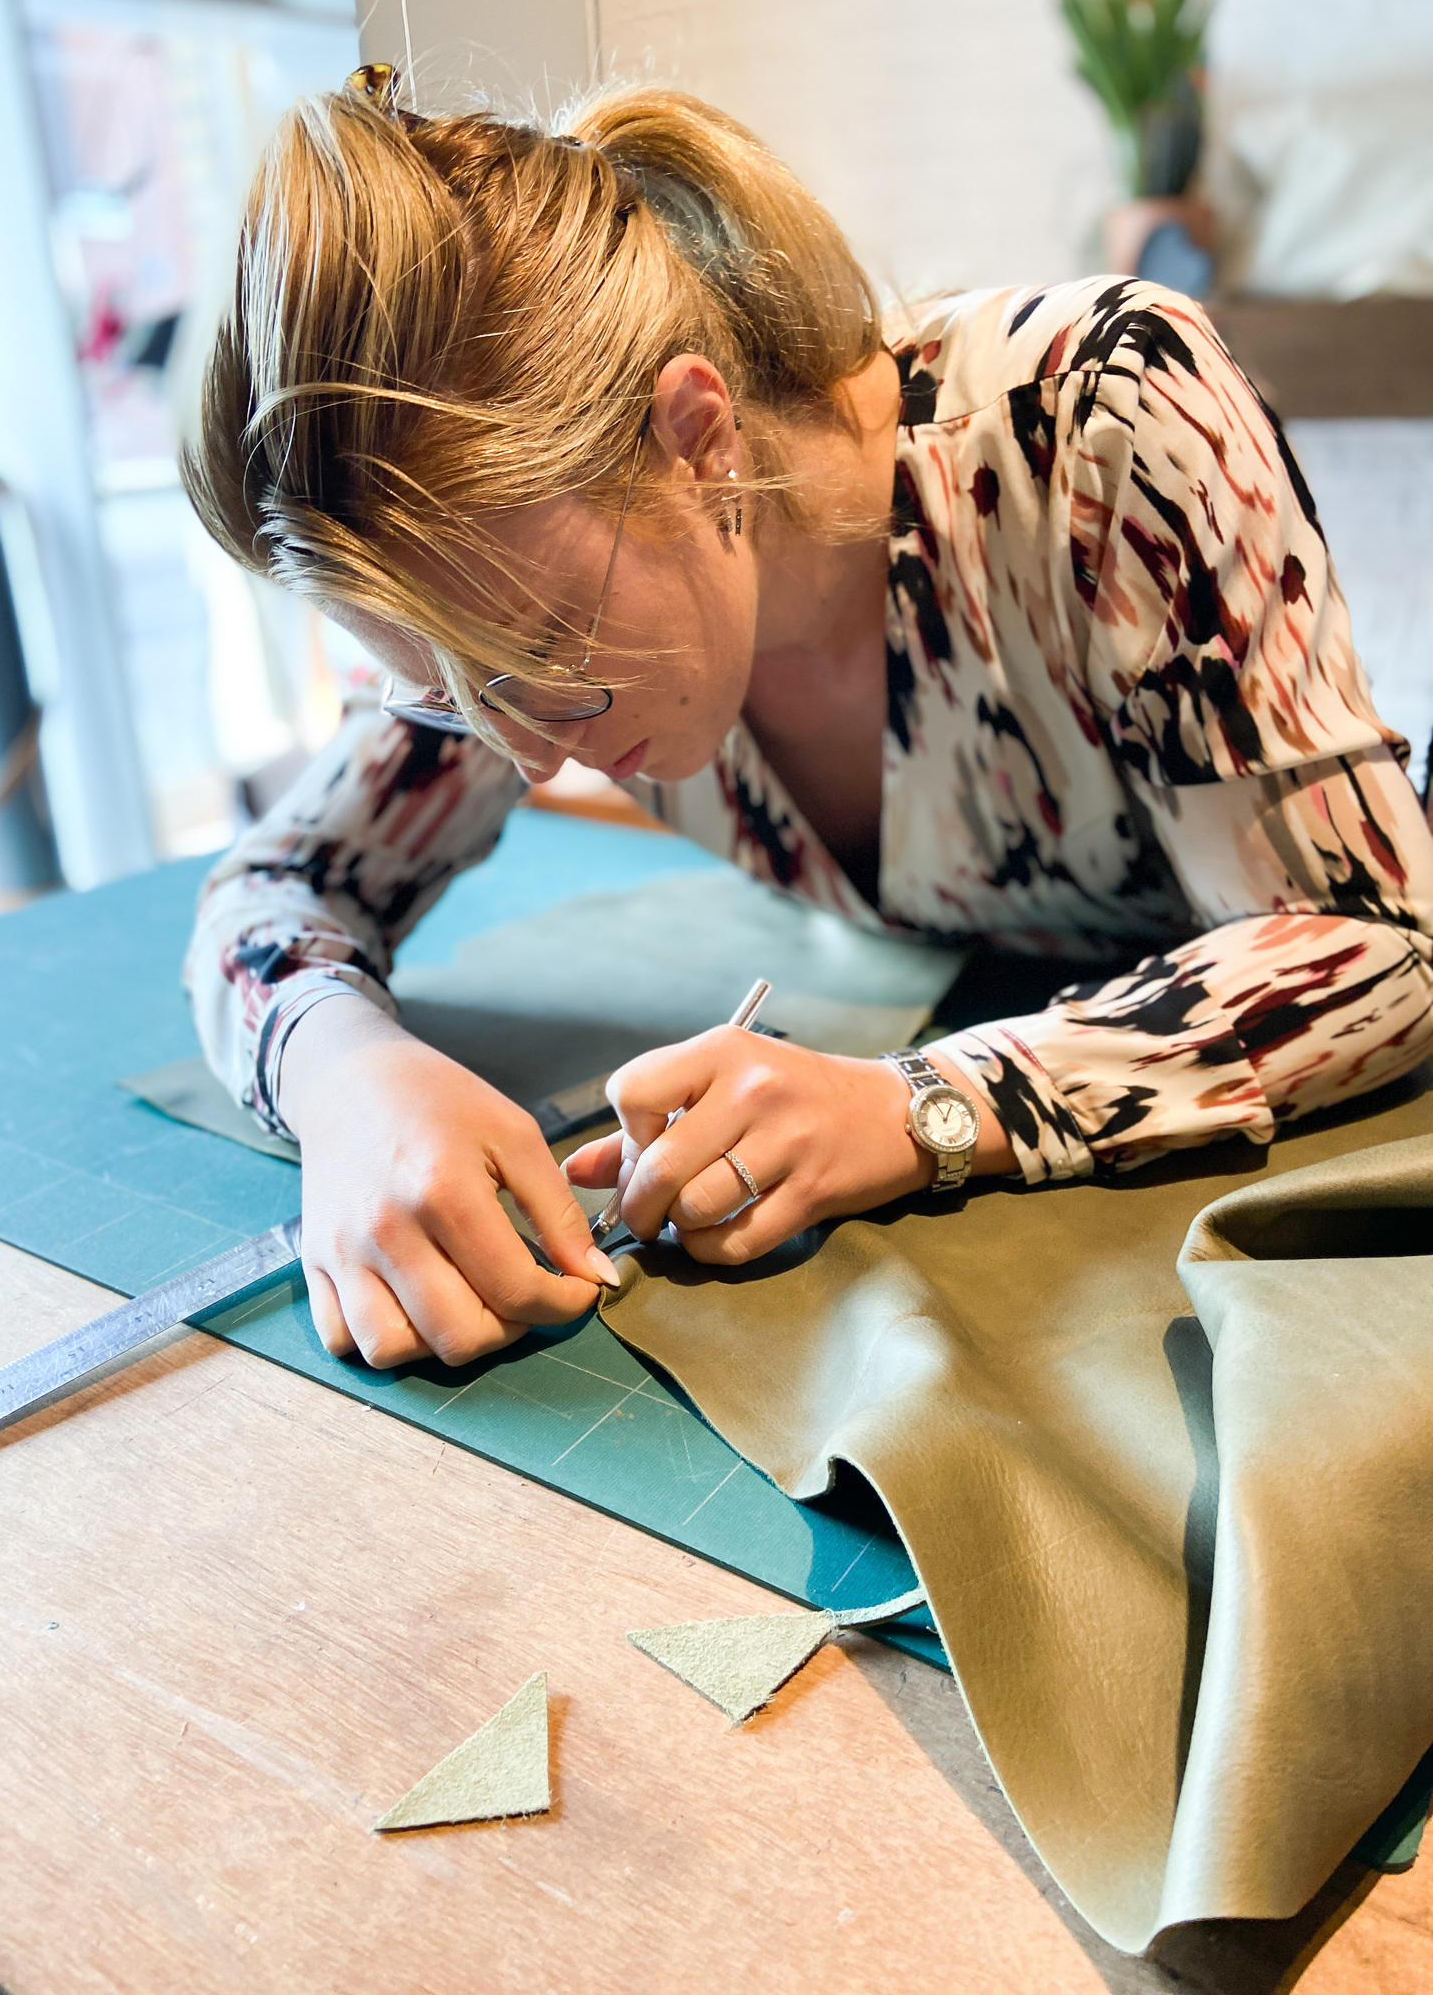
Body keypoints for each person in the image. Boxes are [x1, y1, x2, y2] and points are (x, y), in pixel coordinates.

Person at [182, 66, 1433, 1374]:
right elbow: (279, 886)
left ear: (698, 439)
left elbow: (1378, 940)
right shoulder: (494, 598)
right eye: (445, 694)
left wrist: (926, 1105)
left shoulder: (1102, 409)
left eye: (548, 656)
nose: (529, 751)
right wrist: (339, 1073)